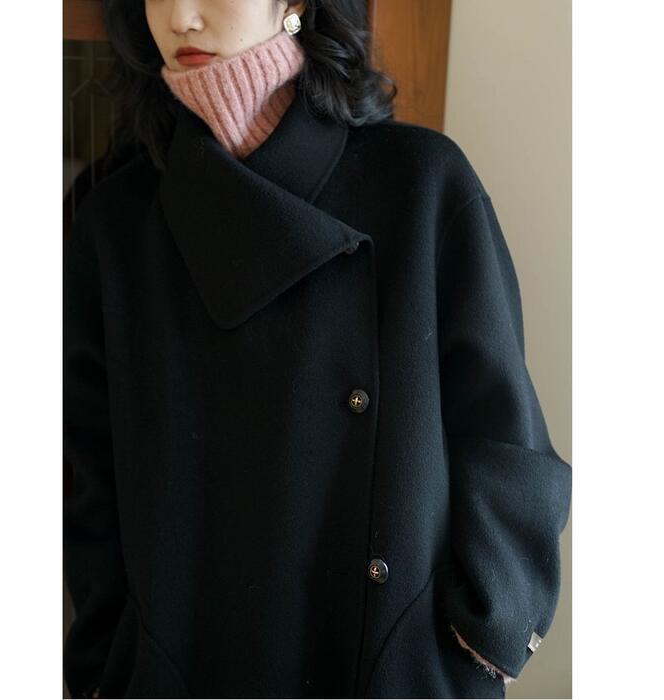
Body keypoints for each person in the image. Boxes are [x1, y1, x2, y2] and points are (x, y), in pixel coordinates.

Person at [62, 1, 572, 698]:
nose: (180, 17)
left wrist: (487, 630)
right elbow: (85, 483)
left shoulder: (422, 185)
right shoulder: (112, 227)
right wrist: (107, 660)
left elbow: (503, 432)